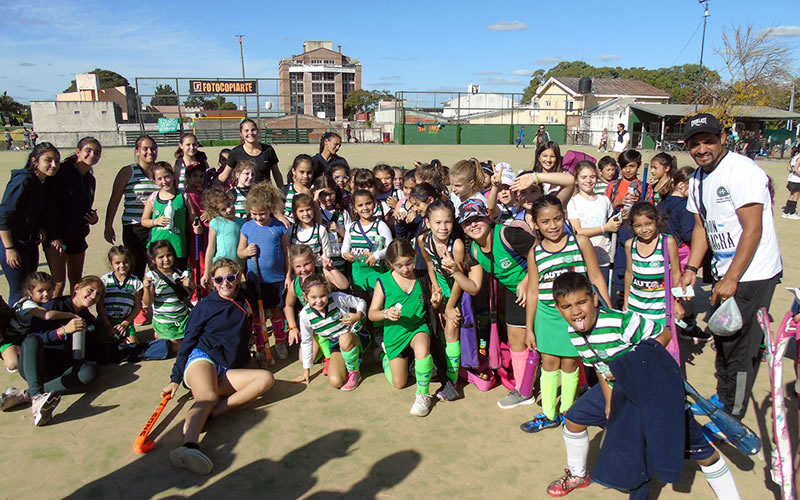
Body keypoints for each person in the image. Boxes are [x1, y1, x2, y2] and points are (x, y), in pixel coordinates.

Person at [545, 272, 740, 499]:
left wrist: (632, 366)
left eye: (581, 302)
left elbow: (664, 335)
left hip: (655, 391)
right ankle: (579, 475)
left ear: (595, 299)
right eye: (567, 306)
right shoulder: (575, 333)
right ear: (559, 310)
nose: (576, 311)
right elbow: (600, 367)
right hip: (619, 391)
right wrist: (609, 403)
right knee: (575, 419)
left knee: (700, 453)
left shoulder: (621, 322)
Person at [679, 112, 782, 420]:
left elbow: (753, 229)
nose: (701, 149)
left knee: (739, 347)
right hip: (726, 272)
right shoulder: (697, 178)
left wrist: (733, 277)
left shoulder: (742, 171)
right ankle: (723, 396)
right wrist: (692, 268)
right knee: (722, 337)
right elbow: (701, 227)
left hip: (753, 273)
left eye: (708, 141)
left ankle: (732, 415)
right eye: (695, 144)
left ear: (723, 138)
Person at [162, 258, 275, 475]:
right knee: (208, 396)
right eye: (220, 279)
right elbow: (188, 341)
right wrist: (175, 378)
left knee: (266, 379)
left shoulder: (246, 300)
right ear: (212, 281)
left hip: (227, 367)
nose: (226, 283)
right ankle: (189, 446)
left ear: (238, 279)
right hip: (202, 358)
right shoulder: (205, 306)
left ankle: (210, 415)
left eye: (231, 278)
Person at [523, 195, 611, 432]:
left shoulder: (580, 242)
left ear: (564, 217)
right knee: (549, 364)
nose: (552, 226)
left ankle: (568, 412)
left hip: (575, 317)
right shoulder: (535, 252)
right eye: (545, 221)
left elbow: (595, 277)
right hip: (547, 317)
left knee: (571, 364)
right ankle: (549, 413)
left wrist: (610, 310)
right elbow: (532, 291)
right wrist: (529, 328)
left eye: (557, 219)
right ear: (536, 224)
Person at [451, 199, 536, 408]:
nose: (473, 224)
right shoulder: (474, 252)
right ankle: (523, 390)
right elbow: (474, 287)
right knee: (517, 339)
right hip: (515, 294)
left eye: (477, 218)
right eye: (467, 222)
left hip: (539, 286)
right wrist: (453, 271)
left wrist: (526, 280)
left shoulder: (507, 234)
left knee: (550, 339)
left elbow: (541, 251)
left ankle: (578, 386)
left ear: (488, 217)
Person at [15, 276, 104, 426]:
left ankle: (28, 394)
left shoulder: (88, 319)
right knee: (32, 340)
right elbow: (37, 338)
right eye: (90, 290)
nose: (94, 296)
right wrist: (62, 331)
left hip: (58, 370)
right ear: (77, 288)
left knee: (90, 370)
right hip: (35, 365)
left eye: (99, 294)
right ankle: (37, 398)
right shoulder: (54, 305)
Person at [368, 239, 436, 417]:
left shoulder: (422, 277)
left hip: (417, 328)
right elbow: (371, 313)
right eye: (399, 265)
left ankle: (423, 395)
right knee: (399, 383)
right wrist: (385, 313)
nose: (405, 269)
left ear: (414, 256)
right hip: (395, 334)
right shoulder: (383, 281)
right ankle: (385, 356)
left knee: (422, 346)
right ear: (390, 264)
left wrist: (437, 301)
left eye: (409, 263)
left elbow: (433, 302)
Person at [418, 200, 471, 392]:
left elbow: (460, 277)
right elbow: (430, 265)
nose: (443, 227)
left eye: (447, 222)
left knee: (451, 330)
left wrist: (450, 306)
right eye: (438, 222)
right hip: (441, 291)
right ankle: (448, 368)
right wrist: (434, 287)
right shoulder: (423, 240)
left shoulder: (456, 245)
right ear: (428, 223)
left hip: (458, 293)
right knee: (439, 329)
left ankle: (452, 381)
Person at [237, 183, 290, 360]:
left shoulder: (279, 227)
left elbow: (286, 252)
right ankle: (261, 346)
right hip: (255, 280)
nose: (258, 218)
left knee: (277, 312)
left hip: (276, 279)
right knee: (259, 317)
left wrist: (288, 275)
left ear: (270, 210)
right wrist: (246, 252)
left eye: (262, 214)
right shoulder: (247, 227)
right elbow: (239, 252)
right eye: (254, 214)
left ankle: (280, 342)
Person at [45, 137, 102, 297]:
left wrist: (93, 219)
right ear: (78, 151)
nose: (92, 155)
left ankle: (74, 314)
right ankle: (52, 320)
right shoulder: (62, 173)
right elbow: (51, 207)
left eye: (97, 153)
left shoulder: (90, 179)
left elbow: (85, 207)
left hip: (77, 235)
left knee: (76, 281)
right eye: (88, 150)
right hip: (58, 238)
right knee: (58, 283)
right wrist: (55, 236)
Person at [104, 135, 159, 297]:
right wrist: (108, 225)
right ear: (137, 151)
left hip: (156, 225)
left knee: (157, 265)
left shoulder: (161, 171)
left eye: (153, 148)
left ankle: (155, 300)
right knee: (136, 266)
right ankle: (136, 304)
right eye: (145, 149)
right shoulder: (128, 172)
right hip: (133, 227)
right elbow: (114, 200)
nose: (150, 152)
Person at [291, 273, 368, 390]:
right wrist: (306, 372)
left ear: (328, 291)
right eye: (313, 297)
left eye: (323, 296)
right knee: (335, 381)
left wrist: (358, 315)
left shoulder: (337, 298)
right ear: (305, 296)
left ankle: (354, 372)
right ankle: (352, 361)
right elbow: (306, 342)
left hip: (354, 336)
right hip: (336, 344)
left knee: (344, 339)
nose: (319, 301)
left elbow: (361, 302)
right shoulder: (304, 315)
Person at [0, 272, 78, 377]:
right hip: (11, 339)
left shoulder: (45, 302)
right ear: (29, 292)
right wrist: (71, 315)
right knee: (13, 364)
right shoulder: (27, 305)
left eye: (49, 289)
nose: (46, 294)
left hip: (27, 336)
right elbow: (47, 315)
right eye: (40, 291)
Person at [623, 202, 684, 334]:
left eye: (648, 224)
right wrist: (626, 301)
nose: (644, 230)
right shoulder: (630, 245)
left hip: (659, 309)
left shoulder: (667, 242)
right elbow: (629, 273)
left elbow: (676, 274)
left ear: (657, 221)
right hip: (636, 308)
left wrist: (677, 302)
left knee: (659, 345)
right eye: (638, 226)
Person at [141, 162, 202, 269]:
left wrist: (197, 226)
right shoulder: (153, 197)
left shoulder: (184, 196)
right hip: (157, 247)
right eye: (159, 179)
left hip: (178, 247)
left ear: (173, 176)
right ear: (155, 181)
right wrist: (155, 221)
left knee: (178, 279)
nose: (164, 181)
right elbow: (144, 221)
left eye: (167, 177)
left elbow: (193, 218)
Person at [567, 161, 621, 278]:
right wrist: (604, 228)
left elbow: (612, 223)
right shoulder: (573, 202)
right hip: (582, 258)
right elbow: (578, 231)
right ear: (576, 180)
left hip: (604, 256)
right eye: (584, 177)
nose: (588, 180)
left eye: (592, 177)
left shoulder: (604, 200)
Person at [143, 240, 194, 354]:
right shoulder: (153, 277)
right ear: (153, 260)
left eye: (169, 255)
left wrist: (190, 285)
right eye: (161, 257)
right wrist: (146, 288)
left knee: (195, 338)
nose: (166, 259)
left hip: (183, 318)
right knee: (178, 345)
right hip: (165, 322)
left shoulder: (179, 273)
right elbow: (147, 302)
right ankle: (164, 340)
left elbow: (188, 296)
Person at [341, 189, 393, 297]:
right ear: (354, 208)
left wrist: (376, 255)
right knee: (360, 301)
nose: (365, 208)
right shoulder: (351, 227)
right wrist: (346, 254)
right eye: (360, 205)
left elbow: (391, 248)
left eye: (368, 203)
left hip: (376, 271)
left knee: (377, 300)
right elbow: (345, 248)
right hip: (358, 272)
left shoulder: (380, 225)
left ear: (374, 204)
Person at [97, 246, 143, 345]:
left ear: (130, 262)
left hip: (125, 322)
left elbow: (138, 306)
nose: (122, 265)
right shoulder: (104, 281)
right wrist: (108, 327)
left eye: (125, 262)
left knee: (133, 348)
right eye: (117, 263)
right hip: (106, 322)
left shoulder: (136, 282)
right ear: (111, 264)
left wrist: (125, 323)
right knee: (104, 347)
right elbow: (99, 305)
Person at [218, 119, 282, 187]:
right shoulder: (235, 153)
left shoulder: (268, 150)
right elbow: (224, 176)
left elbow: (276, 174)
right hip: (244, 195)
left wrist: (283, 191)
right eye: (246, 130)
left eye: (253, 130)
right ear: (241, 134)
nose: (250, 133)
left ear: (257, 131)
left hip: (265, 194)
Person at [202, 188, 245, 287]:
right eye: (223, 210)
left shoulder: (241, 222)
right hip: (221, 265)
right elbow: (211, 248)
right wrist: (206, 272)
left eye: (229, 205)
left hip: (237, 267)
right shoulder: (216, 222)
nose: (229, 210)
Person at [282, 154, 314, 223]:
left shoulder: (315, 191)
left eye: (309, 172)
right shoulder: (285, 191)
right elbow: (277, 211)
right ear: (294, 171)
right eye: (302, 172)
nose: (305, 176)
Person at [781, 145, 800, 219]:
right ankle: (792, 212)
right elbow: (795, 169)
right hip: (797, 180)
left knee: (791, 195)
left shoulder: (794, 157)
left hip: (792, 178)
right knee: (796, 196)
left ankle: (786, 211)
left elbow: (788, 167)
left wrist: (791, 171)